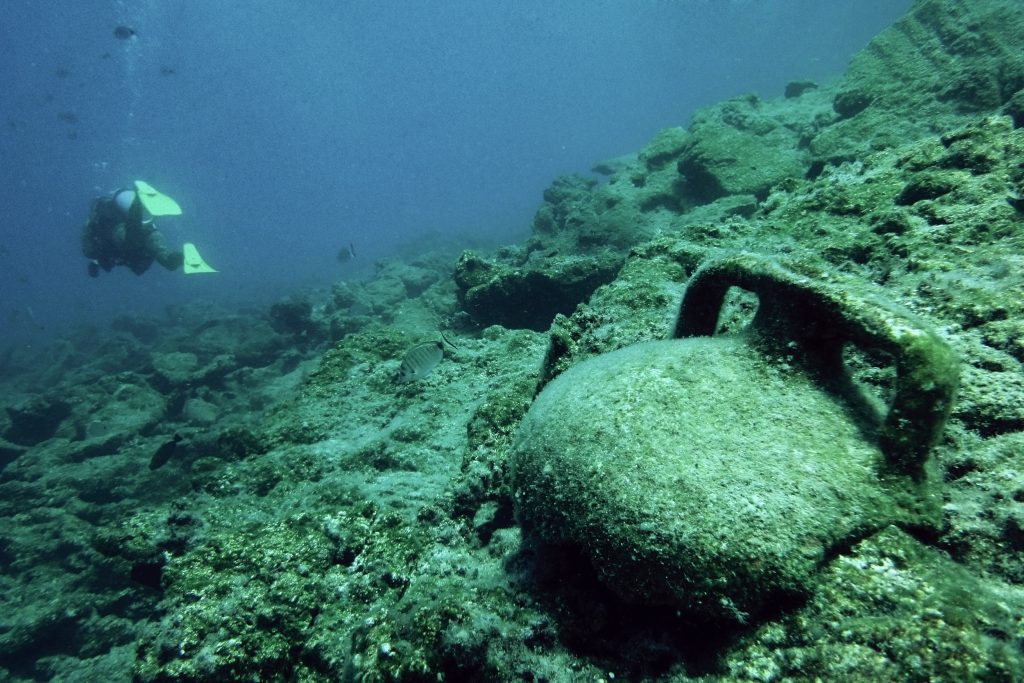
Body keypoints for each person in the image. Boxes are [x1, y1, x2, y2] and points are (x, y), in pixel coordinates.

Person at [81, 181, 184, 277]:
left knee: (132, 244)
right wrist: (97, 262)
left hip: (126, 238)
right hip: (147, 232)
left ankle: (137, 203)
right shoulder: (107, 214)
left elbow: (88, 250)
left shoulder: (97, 221)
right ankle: (168, 260)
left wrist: (97, 261)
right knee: (153, 250)